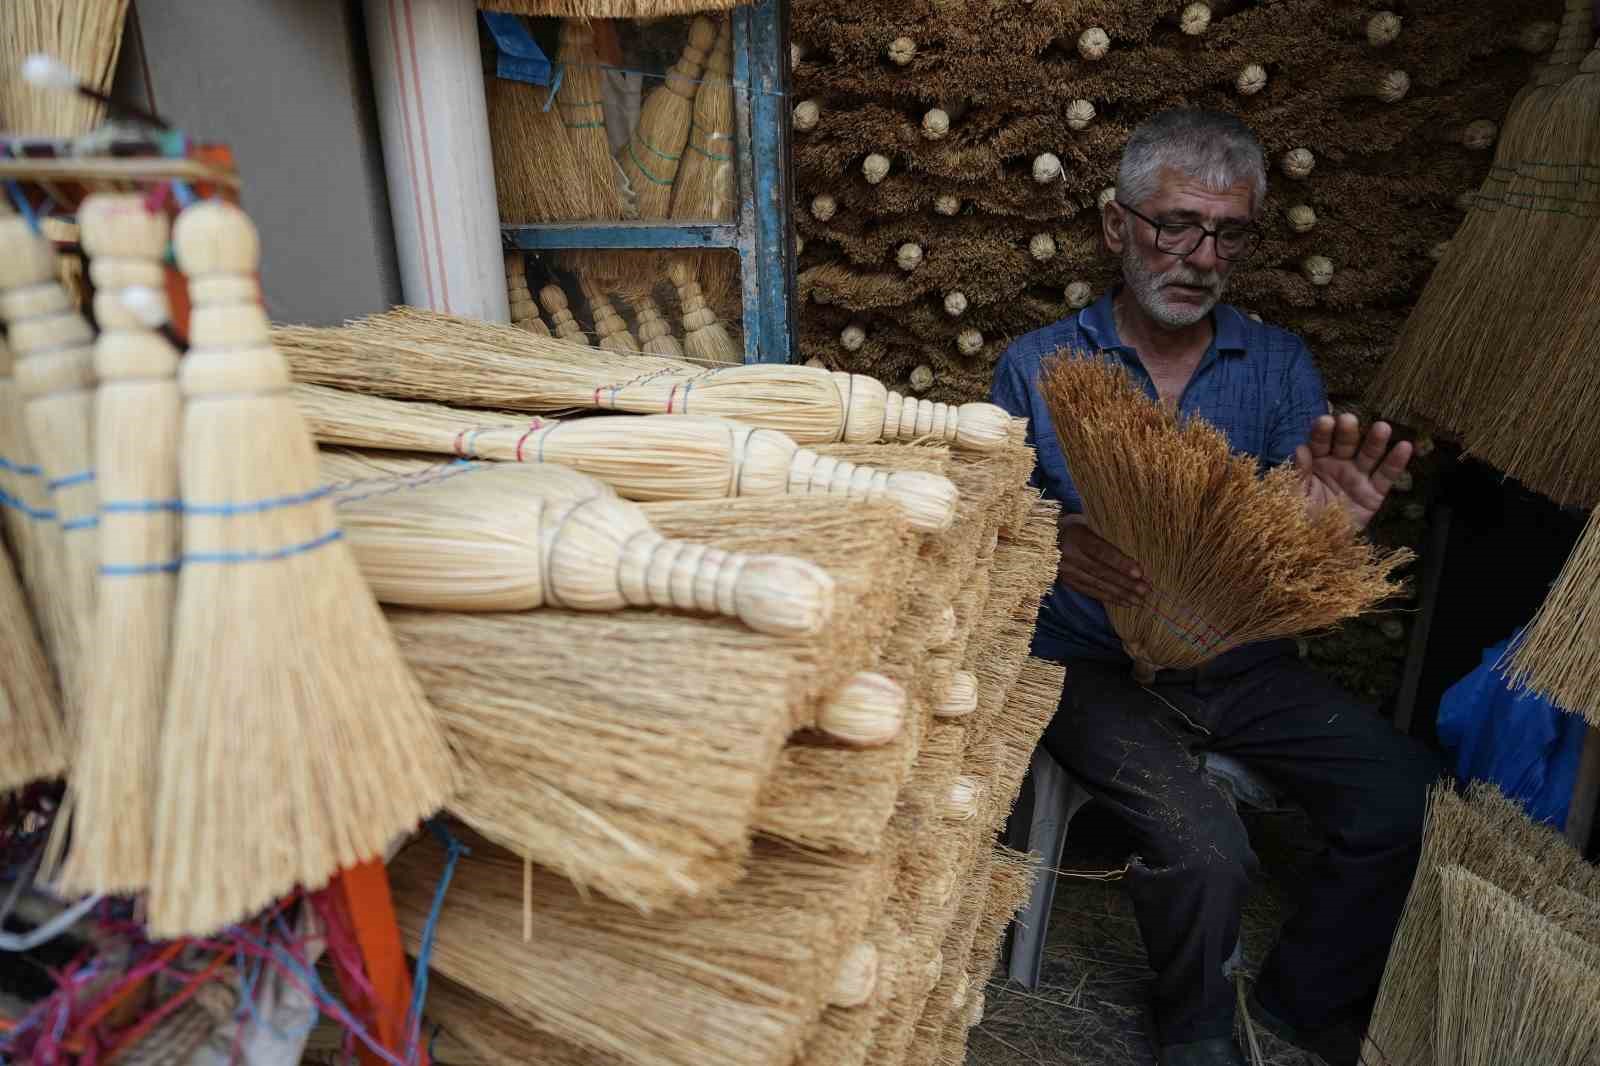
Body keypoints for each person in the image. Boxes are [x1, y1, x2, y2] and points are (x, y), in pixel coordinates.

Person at [989, 108, 1440, 1066]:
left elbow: (1293, 548)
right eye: (1177, 224)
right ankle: (1195, 1022)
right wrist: (1045, 540)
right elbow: (987, 534)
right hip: (1088, 665)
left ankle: (1293, 1000)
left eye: (1230, 232)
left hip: (1239, 664)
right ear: (1118, 226)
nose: (1201, 255)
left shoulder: (1275, 366)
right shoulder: (1036, 368)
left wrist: (1314, 532)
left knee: (1403, 796)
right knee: (1205, 848)